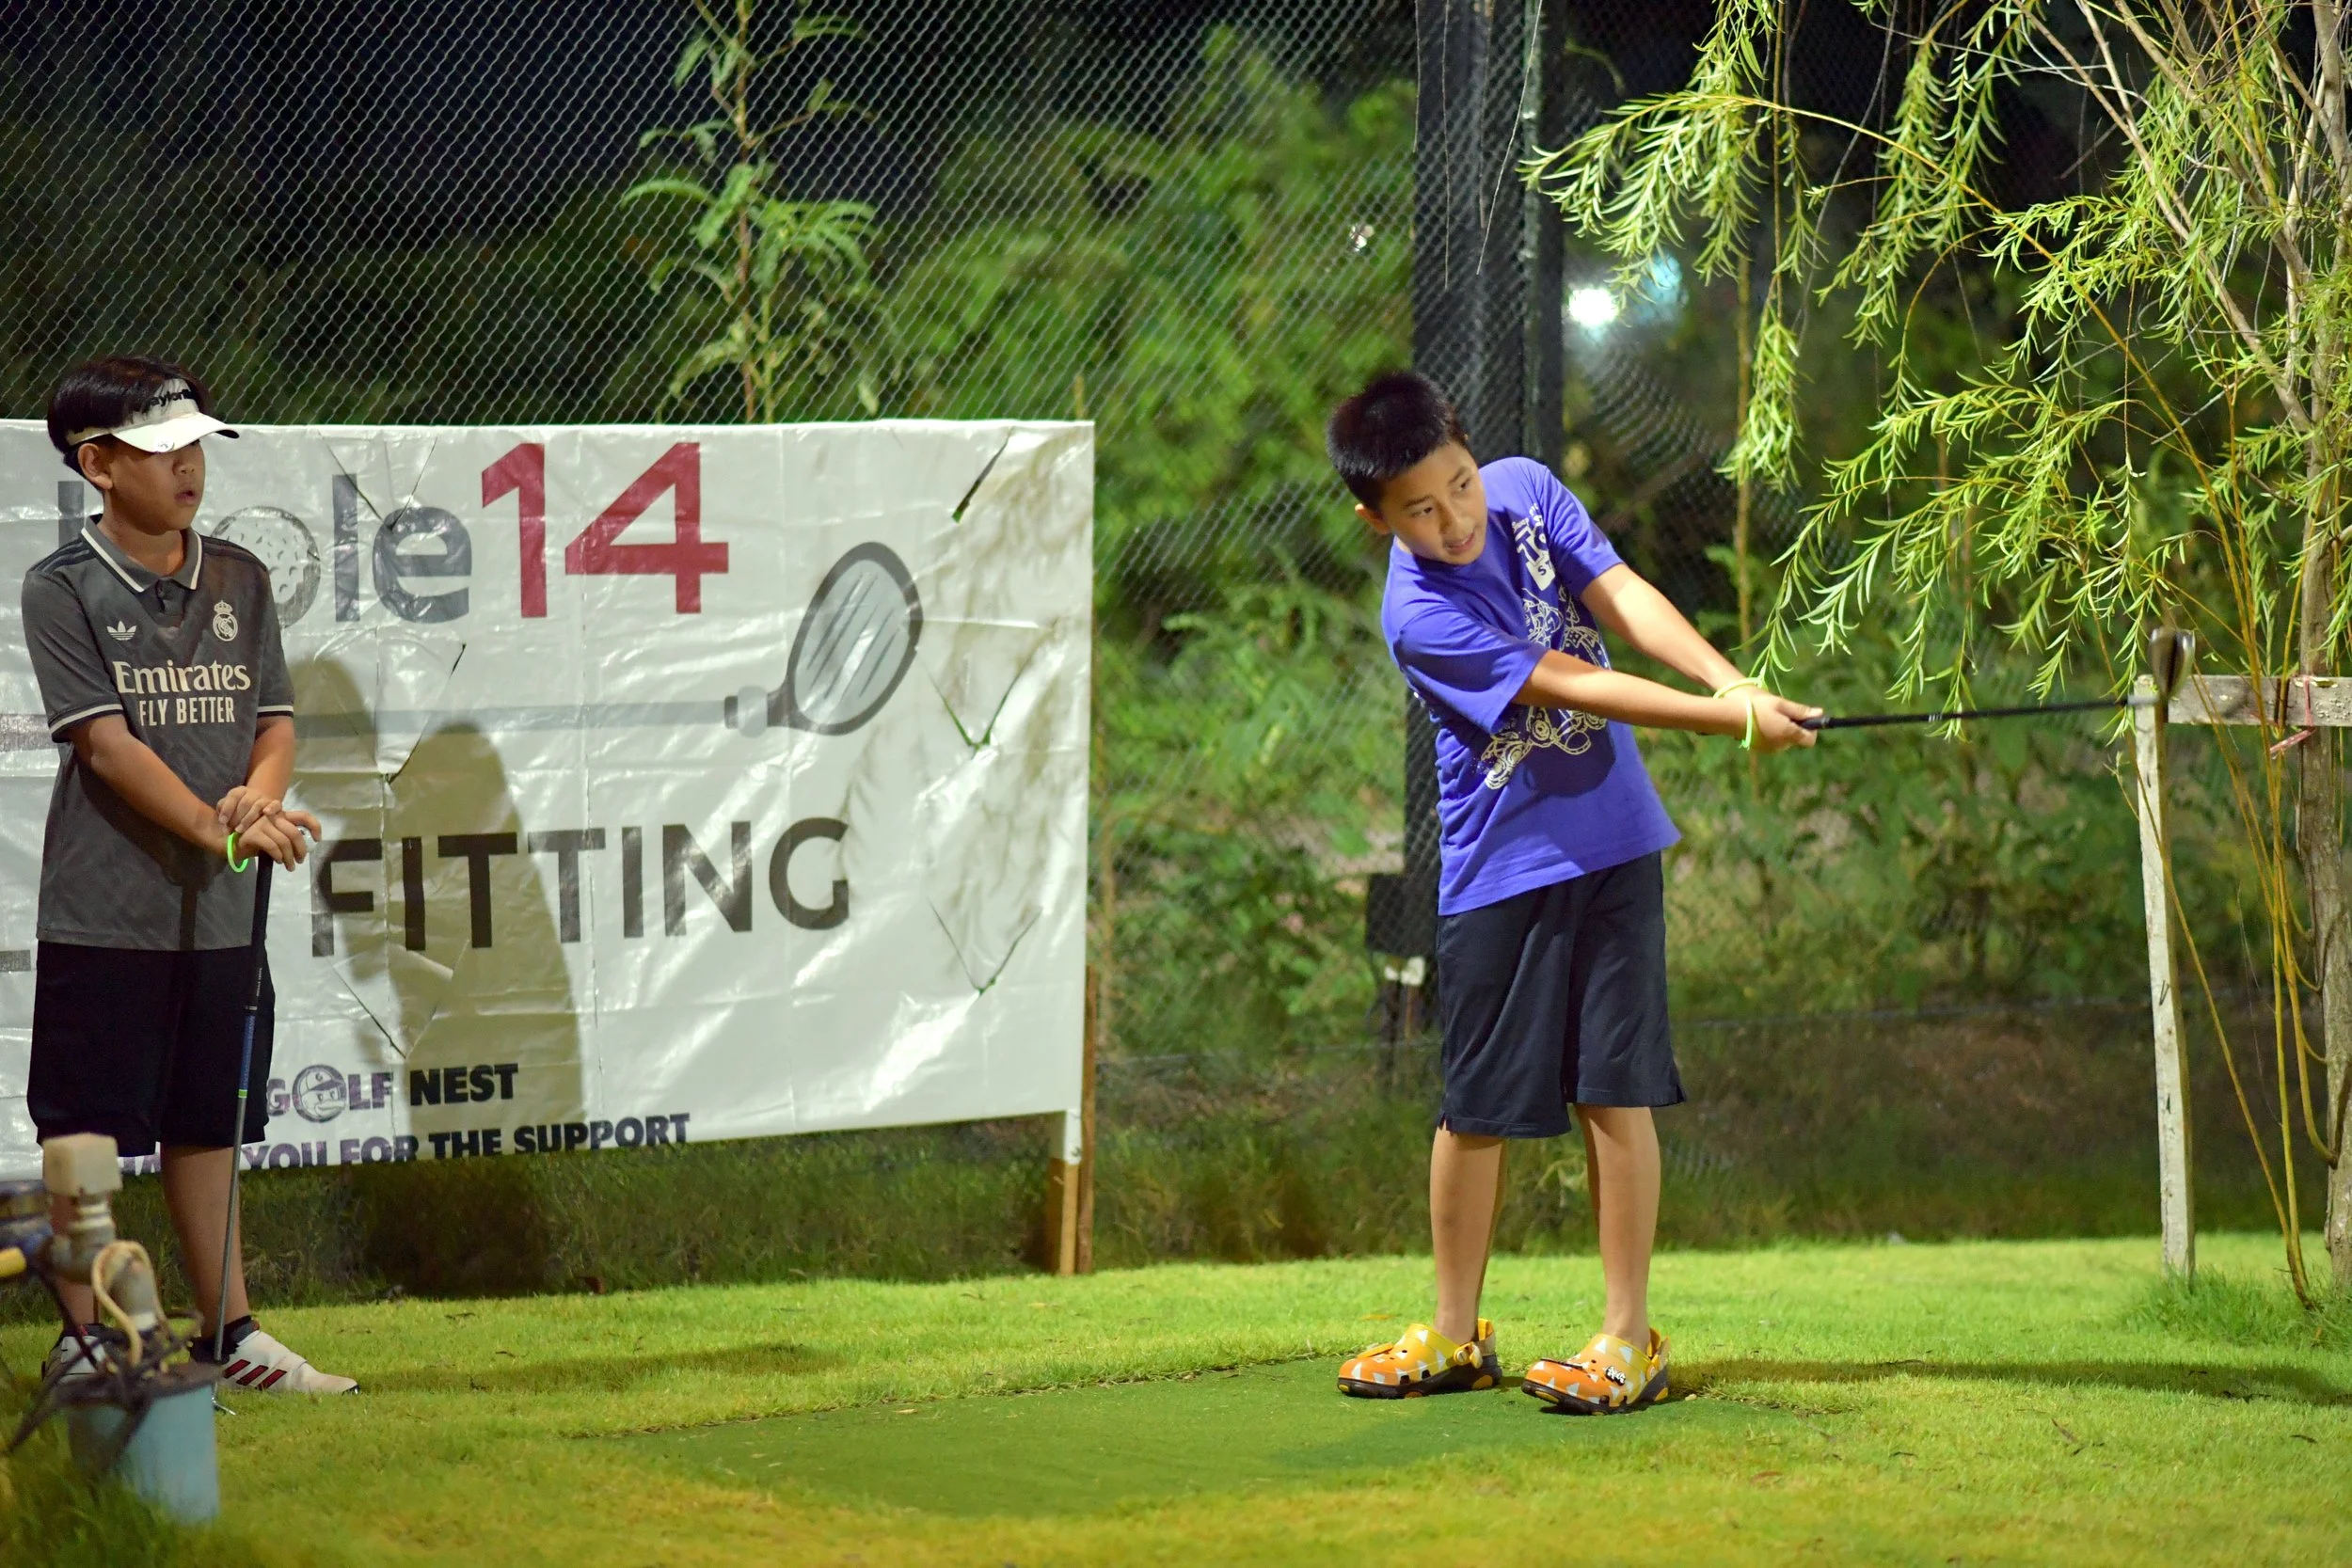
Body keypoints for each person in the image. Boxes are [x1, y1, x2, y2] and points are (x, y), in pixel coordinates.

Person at [1327, 371, 1816, 1413]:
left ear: (1470, 448)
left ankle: (1626, 1337)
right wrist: (1728, 721)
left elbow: (1624, 597)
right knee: (1475, 1108)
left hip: (1615, 842)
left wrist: (1731, 681)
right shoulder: (1419, 616)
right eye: (1420, 507)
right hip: (1501, 868)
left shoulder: (1528, 488)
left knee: (1615, 1087)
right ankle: (1455, 1334)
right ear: (1374, 518)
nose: (1456, 518)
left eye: (1458, 484)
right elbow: (1573, 680)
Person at [24, 355, 357, 1395]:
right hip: (104, 912)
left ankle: (230, 1329)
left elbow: (275, 722)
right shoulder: (61, 587)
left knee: (207, 1118)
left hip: (220, 914)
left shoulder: (241, 578)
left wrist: (257, 798)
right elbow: (108, 748)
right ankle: (91, 1337)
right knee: (83, 1124)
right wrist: (222, 825)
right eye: (164, 451)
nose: (191, 468)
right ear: (98, 464)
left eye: (197, 446)